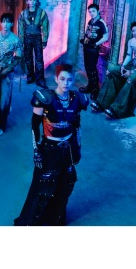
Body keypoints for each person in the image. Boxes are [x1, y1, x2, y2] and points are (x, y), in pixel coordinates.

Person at [14, 64, 89, 226]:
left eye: (69, 80)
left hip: (67, 149)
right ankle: (33, 221)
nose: (66, 83)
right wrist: (36, 151)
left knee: (67, 183)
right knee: (44, 187)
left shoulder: (78, 99)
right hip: (49, 149)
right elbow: (35, 126)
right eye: (62, 79)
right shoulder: (44, 99)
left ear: (73, 81)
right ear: (56, 79)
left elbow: (77, 126)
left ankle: (56, 218)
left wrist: (77, 148)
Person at [91, 21, 136, 119]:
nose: (135, 33)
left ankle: (117, 109)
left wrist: (131, 72)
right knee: (111, 72)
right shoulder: (131, 41)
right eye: (133, 31)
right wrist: (123, 66)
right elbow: (129, 55)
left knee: (130, 80)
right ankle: (102, 102)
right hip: (132, 63)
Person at [18, 0, 49, 87]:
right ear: (27, 1)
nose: (32, 2)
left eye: (34, 0)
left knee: (39, 59)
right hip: (27, 37)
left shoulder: (42, 13)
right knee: (28, 58)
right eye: (30, 0)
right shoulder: (23, 14)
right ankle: (30, 76)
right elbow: (20, 28)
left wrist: (44, 40)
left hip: (37, 38)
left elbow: (45, 27)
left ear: (36, 1)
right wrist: (21, 41)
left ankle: (40, 79)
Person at [79, 4, 109, 99]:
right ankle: (90, 86)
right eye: (90, 12)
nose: (91, 13)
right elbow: (88, 33)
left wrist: (96, 44)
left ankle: (96, 90)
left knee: (92, 68)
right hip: (86, 47)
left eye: (93, 11)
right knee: (87, 68)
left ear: (98, 11)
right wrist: (84, 41)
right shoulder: (90, 21)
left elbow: (106, 37)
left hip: (94, 49)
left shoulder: (101, 23)